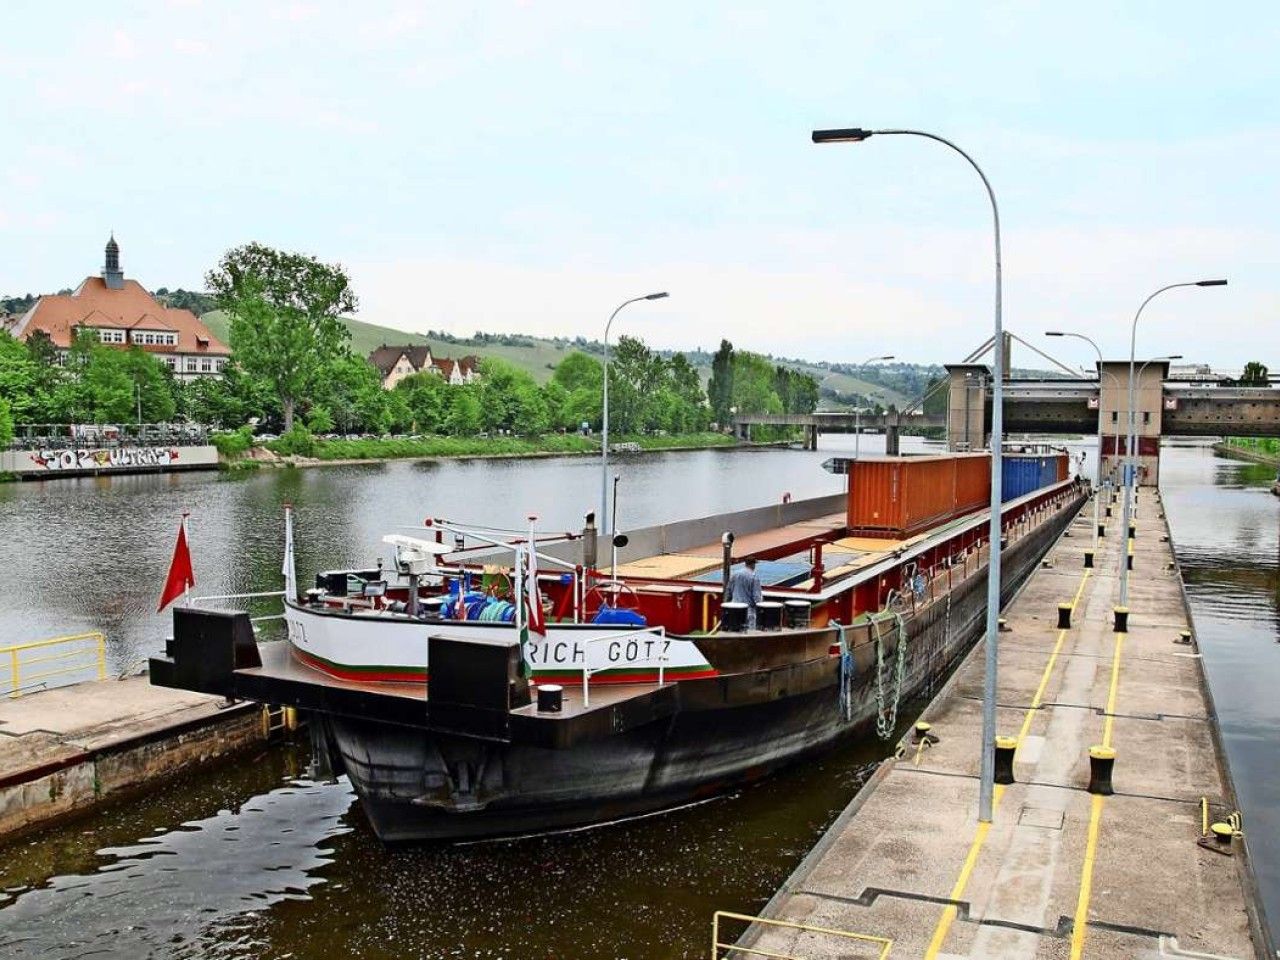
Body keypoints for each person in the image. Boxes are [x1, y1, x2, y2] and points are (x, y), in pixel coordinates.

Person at [726, 557, 763, 630]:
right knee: (749, 632)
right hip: (748, 610)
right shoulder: (754, 577)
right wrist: (760, 609)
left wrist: (728, 603)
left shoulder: (735, 574)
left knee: (735, 630)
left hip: (734, 607)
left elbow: (729, 590)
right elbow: (756, 596)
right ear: (753, 565)